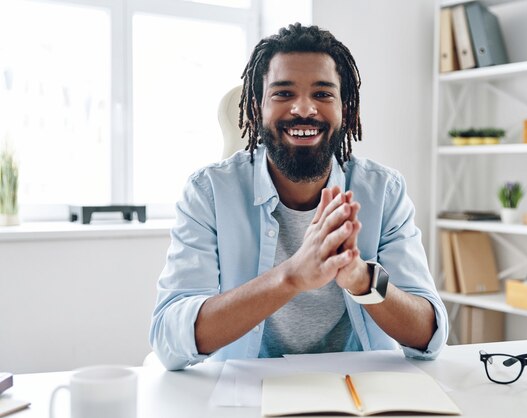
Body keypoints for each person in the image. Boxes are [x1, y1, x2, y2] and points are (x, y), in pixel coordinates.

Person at [150, 23, 448, 371]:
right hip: (245, 394)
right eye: (283, 94)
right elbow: (168, 339)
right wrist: (290, 276)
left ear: (345, 110)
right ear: (256, 107)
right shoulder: (209, 192)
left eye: (323, 94)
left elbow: (429, 335)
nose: (304, 109)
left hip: (357, 390)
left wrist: (362, 279)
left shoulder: (384, 190)